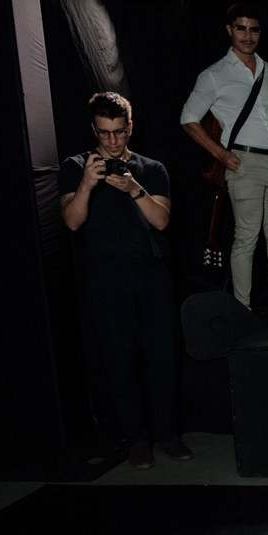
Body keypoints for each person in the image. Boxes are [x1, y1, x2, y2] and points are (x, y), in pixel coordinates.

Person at [59, 91, 193, 471]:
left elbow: (162, 221)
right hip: (105, 273)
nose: (113, 141)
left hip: (151, 273)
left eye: (119, 132)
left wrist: (135, 188)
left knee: (163, 356)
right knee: (120, 361)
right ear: (94, 131)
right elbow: (71, 221)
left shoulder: (152, 169)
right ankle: (136, 439)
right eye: (104, 134)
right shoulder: (75, 166)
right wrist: (86, 184)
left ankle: (167, 434)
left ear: (129, 127)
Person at [180, 7, 268, 325]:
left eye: (254, 30)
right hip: (244, 160)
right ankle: (242, 311)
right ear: (229, 30)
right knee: (246, 237)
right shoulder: (214, 74)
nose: (248, 36)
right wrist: (220, 153)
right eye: (241, 29)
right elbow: (188, 118)